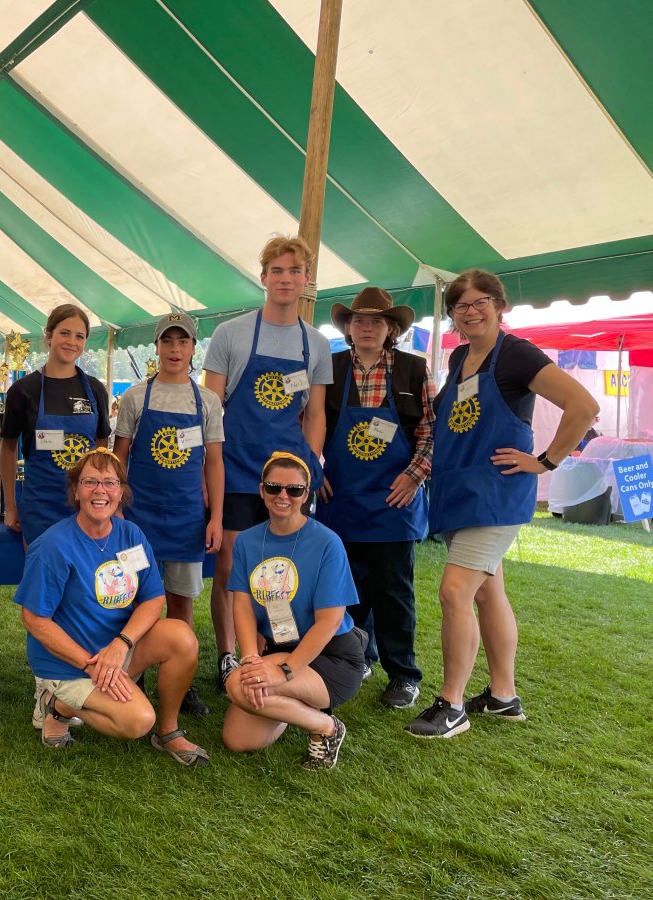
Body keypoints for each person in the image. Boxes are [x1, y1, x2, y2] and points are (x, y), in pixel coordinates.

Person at [407, 269, 598, 739]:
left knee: (455, 592)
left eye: (480, 302)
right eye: (461, 305)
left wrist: (545, 461)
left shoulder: (516, 355)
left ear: (499, 305)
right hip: (460, 493)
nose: (471, 311)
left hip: (494, 494)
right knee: (488, 591)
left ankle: (451, 704)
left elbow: (584, 406)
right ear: (452, 315)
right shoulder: (459, 358)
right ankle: (503, 696)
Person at [16, 448, 209, 766]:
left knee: (182, 637)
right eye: (90, 481)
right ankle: (59, 704)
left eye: (110, 482)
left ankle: (169, 732)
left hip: (115, 651)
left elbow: (153, 598)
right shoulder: (53, 545)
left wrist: (122, 643)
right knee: (137, 720)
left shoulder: (130, 535)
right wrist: (90, 665)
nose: (100, 491)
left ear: (121, 491)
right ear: (76, 490)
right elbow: (35, 620)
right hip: (70, 663)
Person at [202, 235, 332, 690]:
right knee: (231, 565)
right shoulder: (231, 334)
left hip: (288, 479)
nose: (285, 279)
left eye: (295, 271)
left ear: (307, 280)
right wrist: (208, 472)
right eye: (277, 271)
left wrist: (310, 468)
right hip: (237, 470)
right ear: (263, 277)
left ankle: (277, 650)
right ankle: (227, 654)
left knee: (284, 567)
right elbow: (210, 408)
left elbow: (315, 414)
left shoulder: (316, 344)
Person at [315, 288, 434, 709]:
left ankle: (403, 674)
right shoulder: (329, 368)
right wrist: (314, 472)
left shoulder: (412, 370)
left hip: (394, 501)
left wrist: (413, 477)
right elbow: (308, 422)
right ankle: (359, 656)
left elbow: (430, 432)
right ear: (348, 328)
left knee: (393, 591)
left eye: (377, 321)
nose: (366, 327)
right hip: (341, 498)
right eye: (359, 320)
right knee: (346, 588)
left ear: (392, 329)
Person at [223, 452, 366, 770]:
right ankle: (300, 702)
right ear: (262, 490)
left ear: (307, 493)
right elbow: (243, 605)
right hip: (280, 646)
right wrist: (249, 658)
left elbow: (329, 622)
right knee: (238, 739)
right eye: (274, 487)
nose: (282, 496)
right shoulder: (247, 541)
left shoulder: (328, 543)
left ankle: (327, 728)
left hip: (331, 656)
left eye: (294, 490)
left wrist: (284, 671)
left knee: (237, 686)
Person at [113, 312, 224, 717]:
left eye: (183, 342)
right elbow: (119, 459)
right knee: (136, 600)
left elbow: (215, 464)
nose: (175, 349)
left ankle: (183, 680)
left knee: (181, 601)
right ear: (156, 347)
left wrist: (216, 518)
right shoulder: (136, 397)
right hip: (139, 518)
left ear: (194, 349)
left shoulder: (208, 401)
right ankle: (131, 676)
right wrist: (118, 513)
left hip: (187, 520)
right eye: (167, 341)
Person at [0, 304, 110, 546]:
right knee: (43, 580)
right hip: (40, 508)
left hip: (86, 508)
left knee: (86, 581)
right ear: (48, 336)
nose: (72, 341)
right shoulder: (23, 390)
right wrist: (10, 506)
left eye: (79, 336)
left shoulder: (94, 389)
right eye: (64, 333)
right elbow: (8, 448)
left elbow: (102, 446)